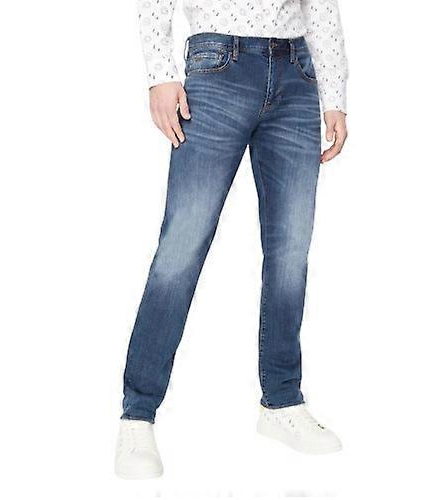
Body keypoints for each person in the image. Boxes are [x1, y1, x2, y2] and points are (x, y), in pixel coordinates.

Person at [115, 0, 348, 479]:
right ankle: (137, 414)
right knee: (182, 246)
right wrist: (159, 74)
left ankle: (282, 401)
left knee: (291, 251)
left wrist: (335, 95)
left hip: (296, 73)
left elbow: (321, 6)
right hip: (218, 64)